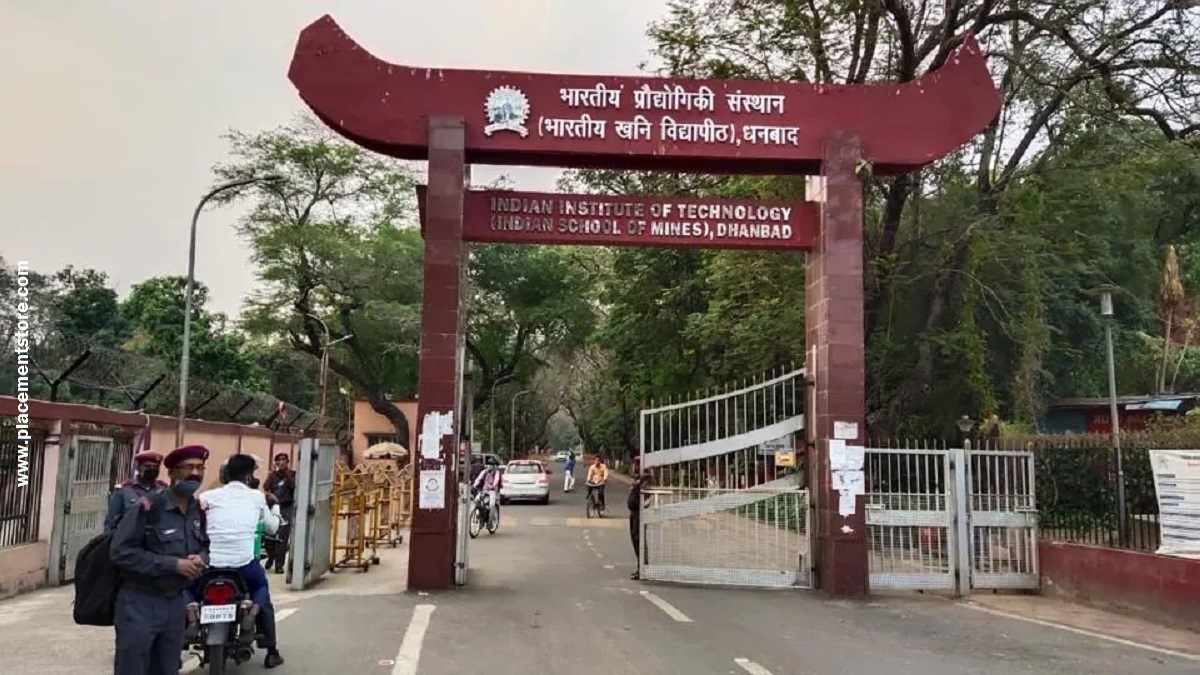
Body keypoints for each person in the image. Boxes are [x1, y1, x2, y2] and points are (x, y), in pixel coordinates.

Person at [109, 444, 210, 675]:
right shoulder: (149, 507)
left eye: (200, 468)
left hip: (175, 603)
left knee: (167, 668)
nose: (195, 473)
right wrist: (174, 565)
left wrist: (201, 558)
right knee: (133, 669)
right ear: (172, 472)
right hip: (140, 603)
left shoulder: (198, 509)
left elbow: (205, 545)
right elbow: (120, 552)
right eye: (188, 467)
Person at [199, 454, 284, 668]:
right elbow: (272, 527)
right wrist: (275, 508)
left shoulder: (207, 496)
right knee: (261, 587)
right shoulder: (257, 497)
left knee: (189, 590)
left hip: (211, 565)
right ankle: (271, 650)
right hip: (244, 565)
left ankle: (190, 618)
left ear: (225, 474)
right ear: (249, 476)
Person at [105, 451, 167, 532]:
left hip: (156, 537)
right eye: (147, 466)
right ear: (138, 468)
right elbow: (111, 521)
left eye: (155, 467)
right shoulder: (124, 490)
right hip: (130, 537)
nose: (152, 469)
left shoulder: (164, 490)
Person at [263, 452, 296, 574]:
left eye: (283, 460)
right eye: (278, 460)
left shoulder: (292, 474)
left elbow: (293, 486)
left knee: (282, 537)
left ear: (287, 462)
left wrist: (286, 473)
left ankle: (279, 565)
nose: (281, 462)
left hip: (286, 507)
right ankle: (271, 556)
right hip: (273, 507)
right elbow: (266, 487)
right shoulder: (273, 475)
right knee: (269, 535)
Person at [628, 471, 649, 580]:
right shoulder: (636, 487)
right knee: (635, 540)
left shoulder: (641, 487)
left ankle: (642, 568)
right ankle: (641, 567)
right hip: (634, 515)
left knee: (639, 540)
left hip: (639, 516)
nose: (632, 480)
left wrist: (638, 483)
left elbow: (646, 502)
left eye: (635, 479)